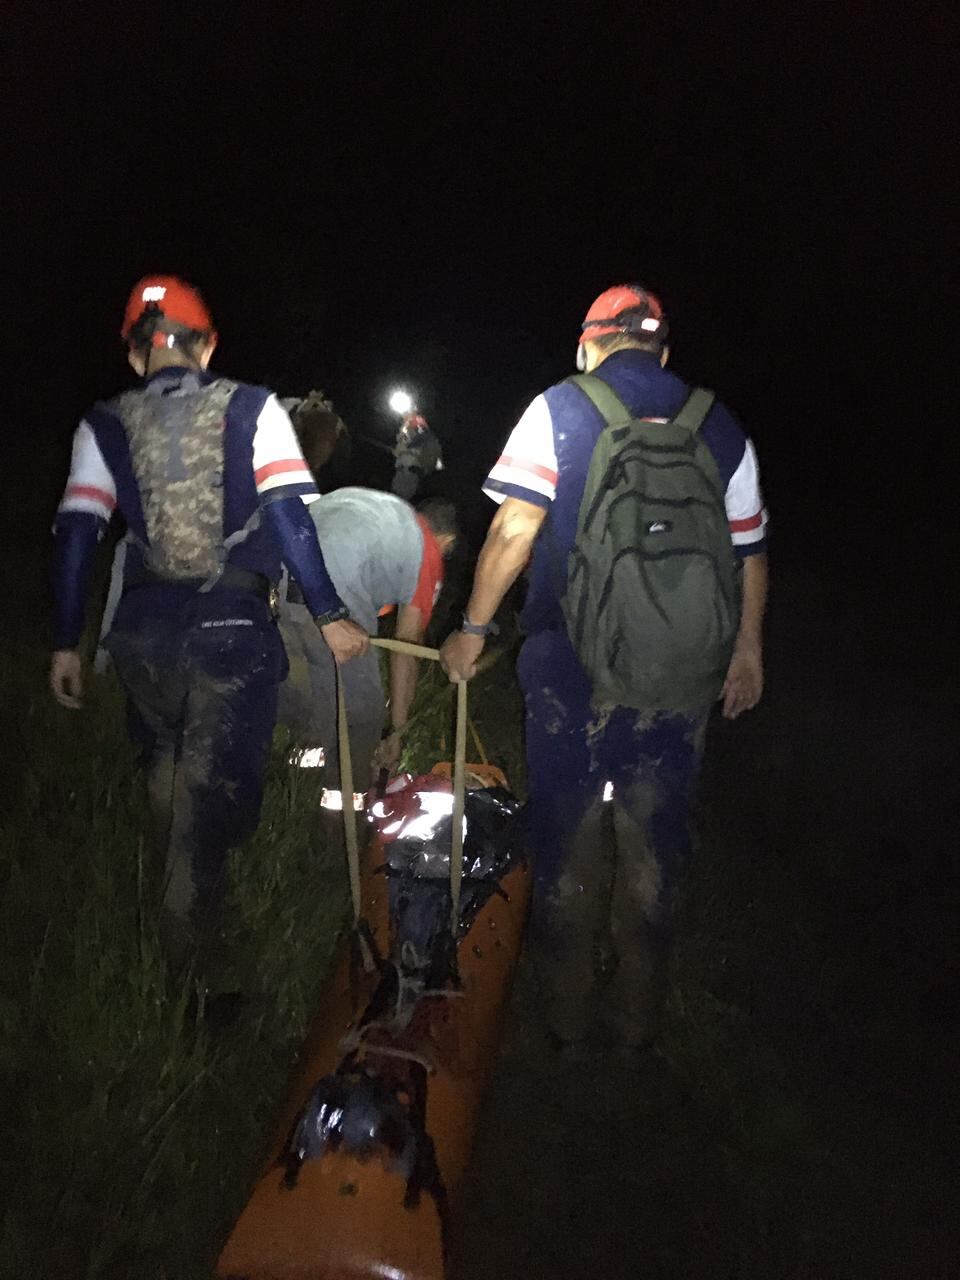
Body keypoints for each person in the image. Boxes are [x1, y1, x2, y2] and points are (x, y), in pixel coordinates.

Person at [440, 283, 769, 1051]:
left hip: (571, 669)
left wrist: (472, 630)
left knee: (569, 836)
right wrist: (747, 652)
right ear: (662, 349)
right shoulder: (717, 423)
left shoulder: (559, 407)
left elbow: (516, 528)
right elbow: (750, 549)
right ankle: (636, 1025)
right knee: (655, 842)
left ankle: (563, 1018)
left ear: (589, 343)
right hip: (682, 678)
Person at [49, 274, 368, 968]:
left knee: (166, 765)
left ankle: (173, 890)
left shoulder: (102, 424)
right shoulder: (253, 408)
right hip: (233, 631)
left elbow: (77, 535)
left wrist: (65, 642)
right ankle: (196, 961)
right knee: (214, 802)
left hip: (143, 632)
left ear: (135, 356)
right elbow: (288, 515)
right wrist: (332, 613)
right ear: (209, 346)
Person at [279, 487, 457, 800]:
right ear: (446, 541)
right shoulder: (425, 545)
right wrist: (397, 731)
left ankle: (297, 786)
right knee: (361, 714)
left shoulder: (377, 510)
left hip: (283, 574)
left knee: (312, 691)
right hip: (337, 584)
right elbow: (407, 646)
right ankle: (343, 817)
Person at [391, 411, 443, 501]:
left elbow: (424, 436)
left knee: (405, 496)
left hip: (412, 469)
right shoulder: (404, 429)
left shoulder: (418, 425)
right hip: (401, 468)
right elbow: (400, 445)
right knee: (396, 494)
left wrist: (410, 445)